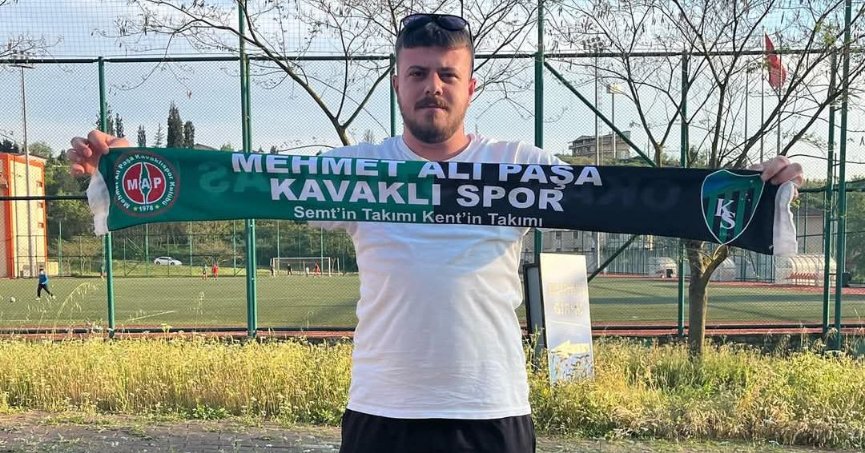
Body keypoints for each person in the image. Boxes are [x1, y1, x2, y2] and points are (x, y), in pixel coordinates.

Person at [68, 12, 805, 453]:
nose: (433, 86)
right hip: (382, 410)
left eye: (448, 74)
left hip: (490, 409)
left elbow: (634, 198)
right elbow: (237, 180)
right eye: (418, 73)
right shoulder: (355, 172)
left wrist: (754, 190)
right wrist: (127, 170)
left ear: (470, 84)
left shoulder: (516, 166)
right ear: (398, 82)